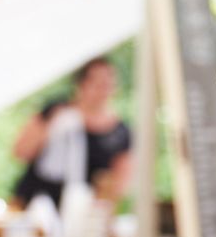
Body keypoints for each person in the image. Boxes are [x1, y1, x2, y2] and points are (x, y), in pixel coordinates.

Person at [11, 56, 133, 208]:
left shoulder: (120, 132)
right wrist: (51, 128)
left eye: (108, 83)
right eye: (97, 83)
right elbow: (20, 152)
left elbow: (120, 183)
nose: (103, 89)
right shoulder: (56, 111)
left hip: (81, 210)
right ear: (80, 84)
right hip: (35, 201)